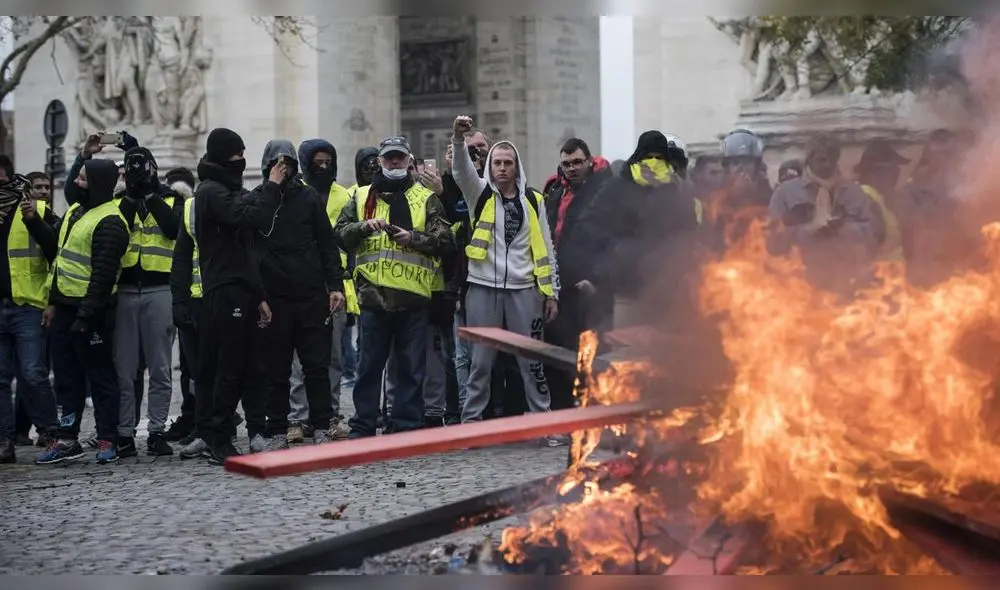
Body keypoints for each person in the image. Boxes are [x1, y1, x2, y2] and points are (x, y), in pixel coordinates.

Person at [447, 115, 561, 437]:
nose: (501, 168)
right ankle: (471, 428)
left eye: (507, 163)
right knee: (480, 363)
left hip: (525, 290)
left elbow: (547, 248)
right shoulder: (478, 194)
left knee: (532, 362)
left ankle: (544, 424)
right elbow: (460, 171)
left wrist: (551, 292)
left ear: (516, 166)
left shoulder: (533, 200)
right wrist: (458, 139)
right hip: (483, 288)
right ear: (490, 166)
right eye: (497, 162)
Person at [335, 136, 453, 438]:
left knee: (411, 370)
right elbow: (339, 234)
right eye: (389, 158)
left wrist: (413, 238)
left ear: (408, 159)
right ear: (381, 162)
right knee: (368, 369)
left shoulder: (426, 198)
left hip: (413, 298)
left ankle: (406, 426)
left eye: (399, 157)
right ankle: (363, 425)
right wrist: (363, 226)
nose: (395, 162)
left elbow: (445, 241)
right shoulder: (361, 197)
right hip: (373, 297)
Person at [193, 128, 282, 464]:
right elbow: (251, 216)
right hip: (224, 290)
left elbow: (245, 249)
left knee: (244, 367)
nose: (241, 160)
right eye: (236, 155)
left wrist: (258, 295)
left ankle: (225, 434)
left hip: (241, 289)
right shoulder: (211, 192)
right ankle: (218, 438)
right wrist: (271, 186)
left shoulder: (228, 190)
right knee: (227, 367)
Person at [251, 139, 346, 451]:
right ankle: (277, 428)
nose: (283, 170)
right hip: (274, 298)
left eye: (288, 164)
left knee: (316, 366)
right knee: (275, 370)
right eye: (278, 165)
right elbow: (250, 248)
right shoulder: (258, 199)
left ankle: (321, 424)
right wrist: (259, 296)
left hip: (309, 295)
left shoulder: (308, 198)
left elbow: (327, 244)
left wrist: (335, 286)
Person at [34, 158, 130, 464]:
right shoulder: (76, 211)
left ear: (99, 184)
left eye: (83, 179)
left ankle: (107, 440)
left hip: (93, 314)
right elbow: (59, 257)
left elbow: (103, 276)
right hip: (64, 308)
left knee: (100, 378)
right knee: (66, 378)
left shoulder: (111, 221)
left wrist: (85, 317)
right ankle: (67, 439)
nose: (76, 182)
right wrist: (52, 301)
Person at [579, 130, 699, 329]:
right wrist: (616, 247)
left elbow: (688, 230)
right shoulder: (618, 186)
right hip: (627, 286)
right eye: (648, 157)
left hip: (665, 287)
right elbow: (587, 224)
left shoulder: (674, 189)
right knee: (627, 348)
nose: (653, 162)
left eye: (659, 158)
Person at [113, 146, 184, 458]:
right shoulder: (118, 202)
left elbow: (173, 230)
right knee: (125, 369)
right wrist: (131, 196)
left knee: (160, 368)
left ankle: (156, 431)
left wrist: (151, 195)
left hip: (160, 290)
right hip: (126, 290)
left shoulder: (172, 199)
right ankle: (124, 433)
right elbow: (117, 232)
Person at [285, 139, 357, 444]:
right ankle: (298, 418)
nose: (323, 165)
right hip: (301, 283)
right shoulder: (294, 194)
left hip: (336, 284)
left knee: (334, 357)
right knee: (300, 358)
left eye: (328, 160)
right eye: (317, 160)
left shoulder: (346, 195)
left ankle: (329, 415)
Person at [541, 138, 614, 410]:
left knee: (590, 351)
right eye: (566, 164)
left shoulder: (605, 192)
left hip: (589, 286)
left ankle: (591, 411)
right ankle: (562, 412)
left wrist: (596, 278)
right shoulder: (555, 192)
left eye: (577, 162)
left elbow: (612, 242)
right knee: (557, 351)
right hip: (559, 285)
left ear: (589, 161)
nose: (572, 168)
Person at [766, 133, 884, 299]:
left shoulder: (852, 192)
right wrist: (809, 231)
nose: (827, 165)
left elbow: (873, 232)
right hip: (798, 283)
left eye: (832, 159)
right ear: (809, 159)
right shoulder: (785, 193)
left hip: (845, 278)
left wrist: (843, 229)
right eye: (821, 160)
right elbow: (772, 240)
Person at [0, 173, 60, 463]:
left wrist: (51, 302)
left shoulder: (41, 212)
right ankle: (4, 441)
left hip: (28, 304)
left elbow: (55, 254)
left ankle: (50, 433)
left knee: (33, 373)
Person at [162, 167, 199, 443]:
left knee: (195, 365)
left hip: (191, 294)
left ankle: (200, 415)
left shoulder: (191, 210)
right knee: (188, 365)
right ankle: (191, 414)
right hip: (178, 292)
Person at [855, 140, 909, 263]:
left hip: (893, 276)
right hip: (881, 276)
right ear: (876, 172)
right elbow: (870, 247)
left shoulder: (881, 197)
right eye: (894, 169)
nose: (897, 174)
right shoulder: (867, 199)